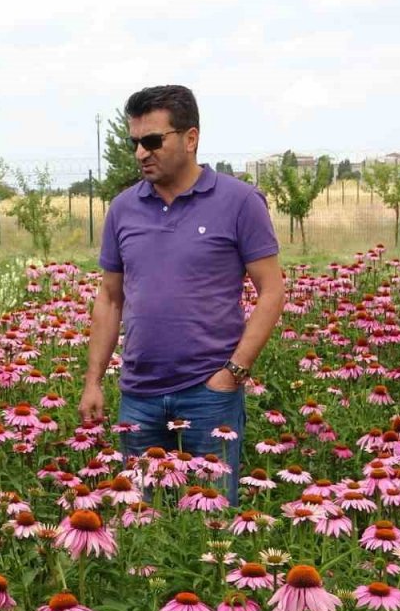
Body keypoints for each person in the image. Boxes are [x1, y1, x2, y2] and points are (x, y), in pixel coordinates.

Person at [77, 85, 286, 506]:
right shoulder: (123, 209)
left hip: (208, 394)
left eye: (153, 141)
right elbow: (110, 298)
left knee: (209, 523)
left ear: (190, 139)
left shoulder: (239, 201)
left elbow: (272, 291)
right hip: (138, 395)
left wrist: (233, 373)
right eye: (134, 142)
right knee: (141, 522)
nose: (141, 153)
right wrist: (94, 380)